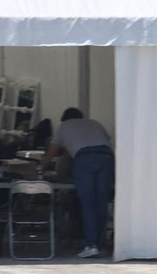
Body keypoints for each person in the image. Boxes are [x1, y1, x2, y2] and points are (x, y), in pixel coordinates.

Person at [47, 107, 114, 258]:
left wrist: (40, 168)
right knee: (101, 203)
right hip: (106, 158)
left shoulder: (64, 126)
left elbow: (52, 152)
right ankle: (100, 244)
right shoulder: (95, 123)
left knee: (88, 204)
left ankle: (91, 245)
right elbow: (107, 142)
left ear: (64, 118)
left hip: (84, 160)